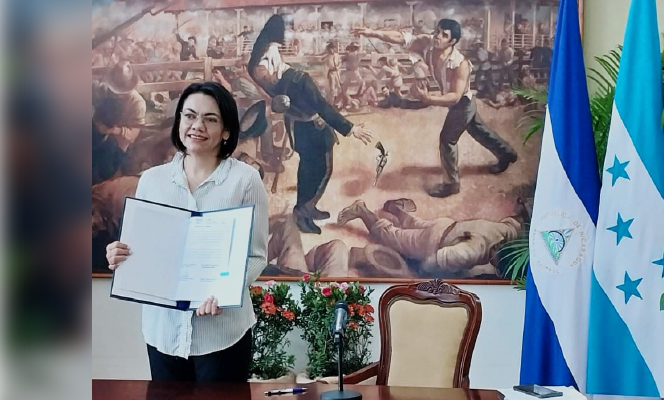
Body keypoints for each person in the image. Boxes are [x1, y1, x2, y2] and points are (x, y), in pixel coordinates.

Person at [105, 82, 270, 382]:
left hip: (222, 334)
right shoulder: (152, 181)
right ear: (179, 121)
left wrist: (223, 291)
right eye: (190, 116)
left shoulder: (245, 180)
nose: (197, 126)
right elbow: (142, 249)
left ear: (226, 131)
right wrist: (120, 254)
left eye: (210, 119)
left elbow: (256, 255)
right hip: (163, 332)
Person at [354, 19, 517, 198]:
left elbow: (455, 96)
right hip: (457, 101)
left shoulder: (460, 64)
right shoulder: (428, 42)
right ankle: (506, 153)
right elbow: (401, 38)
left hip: (462, 103)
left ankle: (451, 184)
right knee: (478, 130)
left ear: (452, 41)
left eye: (444, 35)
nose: (438, 36)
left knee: (447, 140)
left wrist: (428, 98)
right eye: (438, 31)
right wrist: (372, 33)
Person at [249, 15, 374, 234]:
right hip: (314, 130)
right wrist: (351, 128)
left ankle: (308, 207)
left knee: (307, 170)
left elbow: (267, 80)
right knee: (322, 169)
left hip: (297, 128)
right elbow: (323, 107)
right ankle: (303, 212)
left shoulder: (268, 73)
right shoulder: (301, 80)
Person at [337, 198, 525, 277]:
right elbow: (436, 260)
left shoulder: (507, 232)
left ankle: (395, 208)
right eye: (496, 261)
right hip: (431, 243)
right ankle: (361, 210)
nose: (493, 263)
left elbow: (515, 223)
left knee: (413, 223)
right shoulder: (472, 251)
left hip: (446, 225)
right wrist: (421, 271)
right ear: (496, 250)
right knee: (391, 236)